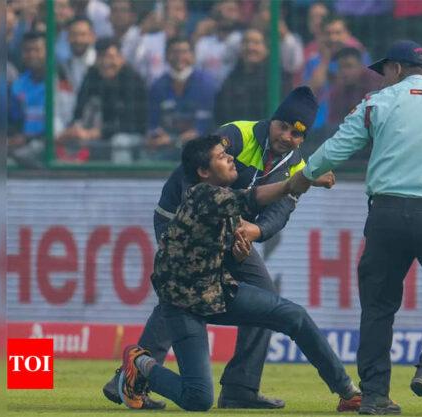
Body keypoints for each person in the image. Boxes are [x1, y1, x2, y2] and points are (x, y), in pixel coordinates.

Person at [103, 87, 338, 411]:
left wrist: (255, 231)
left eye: (297, 133)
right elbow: (194, 181)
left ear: (303, 138)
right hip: (180, 219)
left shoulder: (296, 163)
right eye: (282, 125)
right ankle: (131, 379)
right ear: (272, 120)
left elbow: (281, 210)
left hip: (232, 231)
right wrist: (238, 227)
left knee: (263, 295)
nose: (286, 136)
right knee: (181, 291)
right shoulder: (234, 135)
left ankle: (241, 387)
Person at [288, 40, 422, 416]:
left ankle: (375, 397)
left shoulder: (376, 104)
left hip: (385, 215)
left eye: (383, 72)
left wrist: (305, 175)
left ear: (395, 69)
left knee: (377, 307)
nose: (380, 79)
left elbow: (336, 148)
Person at [57, 38, 147, 163]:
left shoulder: (133, 80)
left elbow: (131, 124)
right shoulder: (91, 76)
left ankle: (121, 180)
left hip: (131, 137)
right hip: (95, 135)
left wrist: (96, 133)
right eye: (101, 57)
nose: (106, 62)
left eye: (111, 57)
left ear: (121, 58)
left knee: (120, 142)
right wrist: (75, 128)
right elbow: (79, 110)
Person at [145, 37, 218, 161]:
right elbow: (153, 122)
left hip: (199, 148)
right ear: (167, 56)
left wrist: (174, 140)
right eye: (175, 52)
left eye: (184, 52)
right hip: (164, 147)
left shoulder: (205, 84)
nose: (179, 56)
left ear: (193, 56)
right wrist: (156, 135)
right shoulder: (158, 85)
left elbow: (202, 128)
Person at [8, 31, 46, 168]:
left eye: (37, 50)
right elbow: (13, 119)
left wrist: (29, 138)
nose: (32, 55)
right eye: (27, 50)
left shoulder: (60, 81)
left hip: (50, 143)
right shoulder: (18, 85)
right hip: (22, 143)